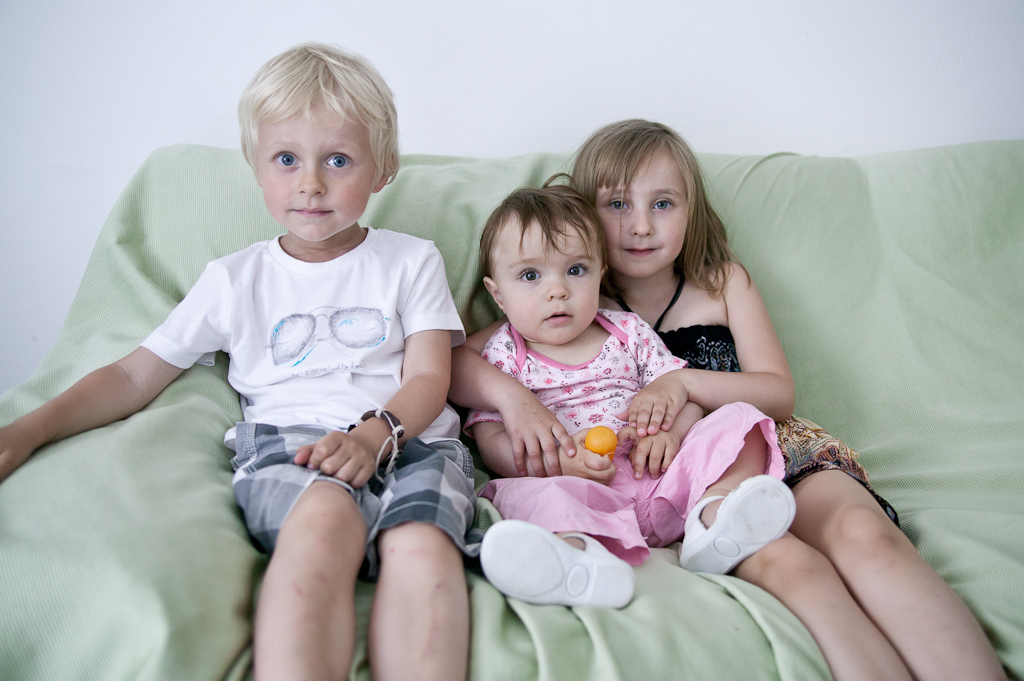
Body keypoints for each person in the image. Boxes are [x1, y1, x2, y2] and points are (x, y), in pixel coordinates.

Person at [451, 120, 1006, 681]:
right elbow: (456, 361)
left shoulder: (720, 282)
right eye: (617, 204)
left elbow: (777, 393)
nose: (640, 225)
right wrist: (513, 398)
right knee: (792, 567)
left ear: (690, 210)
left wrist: (683, 383)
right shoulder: (568, 302)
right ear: (581, 216)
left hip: (761, 444)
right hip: (674, 491)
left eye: (663, 204)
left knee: (863, 537)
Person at [0, 43, 479, 681]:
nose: (310, 183)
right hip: (295, 446)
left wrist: (375, 436)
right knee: (322, 526)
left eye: (338, 160)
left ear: (383, 168)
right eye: (286, 159)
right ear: (256, 166)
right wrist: (29, 429)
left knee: (423, 550)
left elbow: (428, 377)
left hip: (411, 442)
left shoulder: (411, 260)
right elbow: (133, 374)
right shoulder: (235, 279)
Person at [464, 182, 798, 609]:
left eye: (576, 270)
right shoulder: (503, 356)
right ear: (498, 295)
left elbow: (683, 395)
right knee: (525, 497)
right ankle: (580, 558)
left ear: (600, 274)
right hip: (582, 490)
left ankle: (714, 518)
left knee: (739, 419)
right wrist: (557, 464)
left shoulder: (628, 331)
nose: (557, 290)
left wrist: (671, 434)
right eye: (531, 276)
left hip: (661, 479)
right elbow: (492, 439)